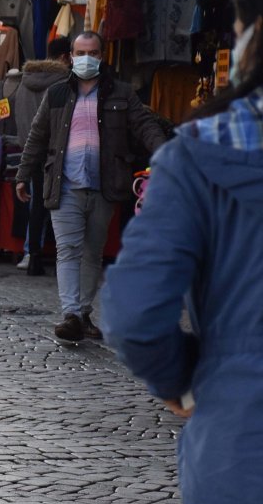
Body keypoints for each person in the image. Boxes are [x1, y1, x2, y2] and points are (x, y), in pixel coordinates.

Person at [102, 0, 263, 504]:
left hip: (244, 472)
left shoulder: (200, 154)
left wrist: (184, 381)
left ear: (250, 38)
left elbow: (135, 313)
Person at [16, 31, 165, 343]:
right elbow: (37, 136)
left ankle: (83, 314)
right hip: (64, 185)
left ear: (102, 56)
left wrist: (165, 153)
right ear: (71, 56)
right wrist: (23, 173)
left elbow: (144, 125)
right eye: (81, 53)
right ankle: (71, 314)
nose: (86, 58)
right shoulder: (57, 93)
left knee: (92, 253)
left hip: (104, 186)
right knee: (67, 250)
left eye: (93, 53)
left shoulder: (121, 93)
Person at [12, 36, 71, 276]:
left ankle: (31, 253)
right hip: (55, 151)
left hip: (30, 149)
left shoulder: (24, 82)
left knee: (36, 203)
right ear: (65, 57)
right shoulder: (63, 83)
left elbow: (21, 117)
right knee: (57, 203)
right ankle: (60, 256)